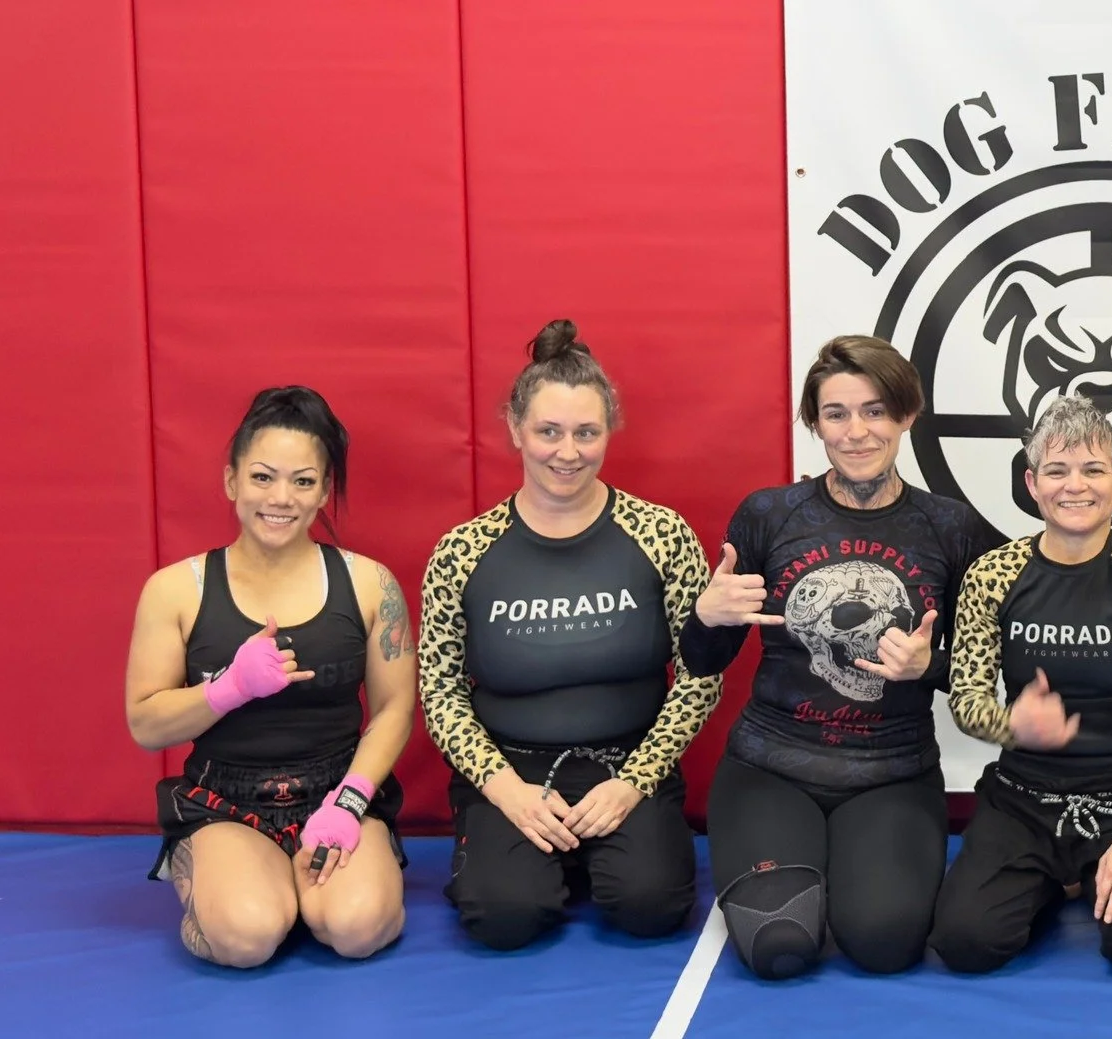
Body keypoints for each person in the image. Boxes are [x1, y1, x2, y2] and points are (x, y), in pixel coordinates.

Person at [683, 334, 999, 979]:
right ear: (815, 423)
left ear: (907, 415)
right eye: (836, 414)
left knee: (885, 945)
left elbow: (985, 671)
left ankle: (849, 870)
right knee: (780, 947)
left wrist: (929, 667)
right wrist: (707, 617)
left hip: (892, 772)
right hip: (769, 767)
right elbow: (704, 660)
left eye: (875, 411)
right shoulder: (768, 515)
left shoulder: (952, 528)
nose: (856, 432)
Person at [418, 320, 720, 950]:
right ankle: (526, 855)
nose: (567, 451)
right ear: (515, 429)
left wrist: (636, 781)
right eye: (548, 431)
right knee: (504, 918)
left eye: (586, 432)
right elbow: (440, 692)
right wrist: (505, 790)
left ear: (609, 431)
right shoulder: (462, 550)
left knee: (651, 906)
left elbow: (700, 674)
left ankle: (598, 848)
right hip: (510, 769)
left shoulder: (662, 534)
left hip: (628, 764)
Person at [124, 385, 413, 967]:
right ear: (232, 481)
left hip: (337, 789)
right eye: (262, 477)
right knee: (247, 938)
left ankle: (314, 884)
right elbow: (146, 725)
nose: (281, 498)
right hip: (226, 800)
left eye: (303, 481)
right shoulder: (175, 589)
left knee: (357, 929)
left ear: (323, 491)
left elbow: (394, 709)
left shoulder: (370, 584)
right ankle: (221, 877)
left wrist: (350, 802)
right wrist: (226, 689)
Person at [928, 396, 1112, 976]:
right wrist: (1010, 726)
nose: (1075, 486)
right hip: (1022, 799)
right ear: (1032, 484)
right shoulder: (993, 575)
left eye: (1093, 470)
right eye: (1056, 470)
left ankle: (1092, 869)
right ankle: (1052, 882)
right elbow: (967, 696)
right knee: (965, 942)